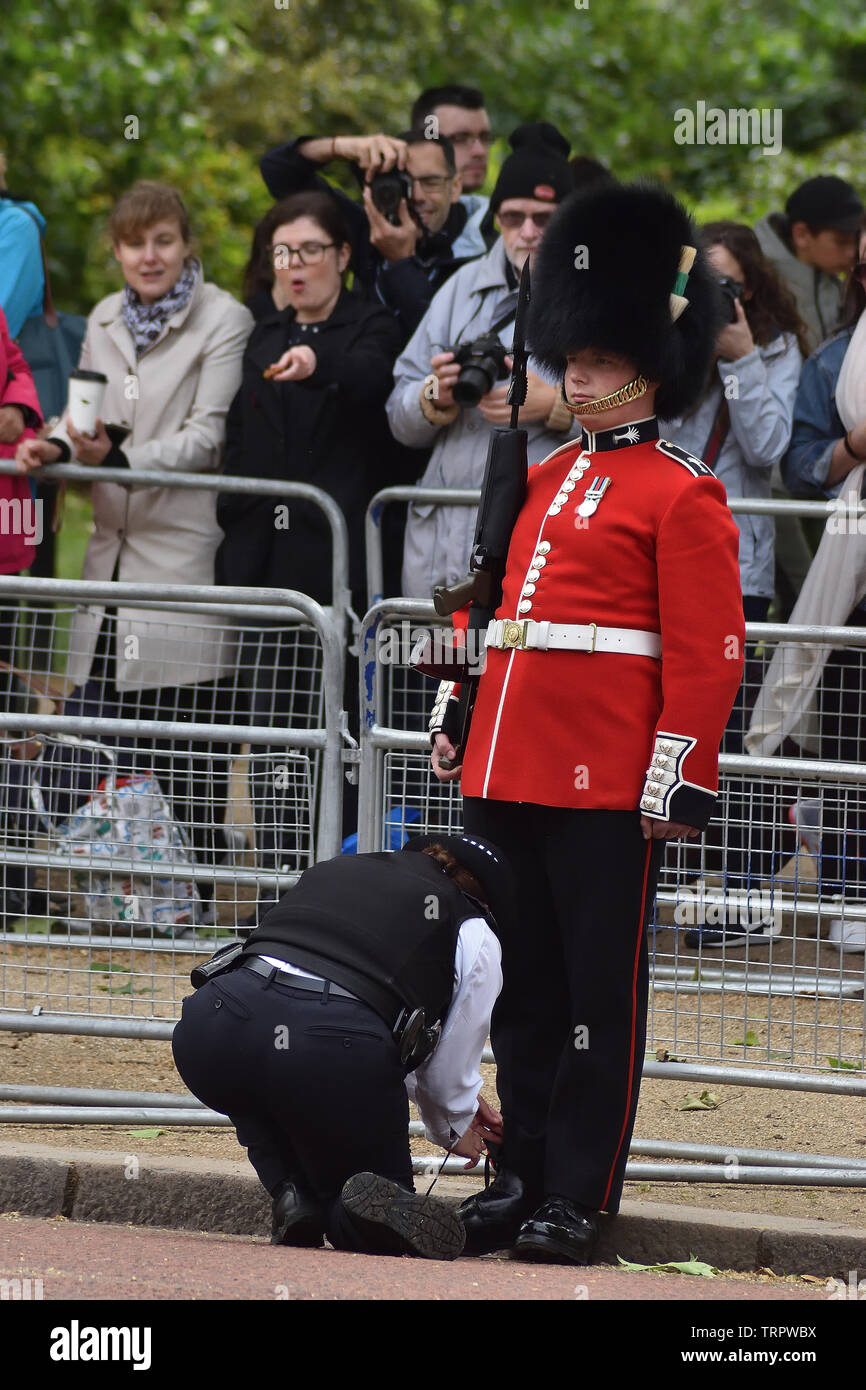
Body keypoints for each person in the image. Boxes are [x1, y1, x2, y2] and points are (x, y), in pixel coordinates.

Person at [429, 181, 745, 1263]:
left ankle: (577, 1194)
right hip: (507, 767)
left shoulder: (681, 493)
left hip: (603, 781)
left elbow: (707, 653)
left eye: (597, 362)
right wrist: (455, 709)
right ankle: (515, 1180)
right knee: (520, 992)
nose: (577, 374)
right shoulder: (544, 479)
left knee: (591, 1005)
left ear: (645, 368)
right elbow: (497, 613)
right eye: (571, 360)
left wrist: (673, 777)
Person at [17, 181, 253, 928]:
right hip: (108, 574)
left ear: (186, 245)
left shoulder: (225, 317)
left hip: (181, 570)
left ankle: (194, 934)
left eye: (162, 241)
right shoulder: (107, 317)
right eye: (133, 243)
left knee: (190, 777)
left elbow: (208, 437)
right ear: (117, 251)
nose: (147, 257)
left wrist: (114, 456)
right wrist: (55, 443)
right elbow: (86, 412)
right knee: (73, 765)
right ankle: (64, 905)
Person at [171, 835, 506, 1258]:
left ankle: (293, 1193)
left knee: (254, 1084)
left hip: (214, 1023)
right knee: (379, 1201)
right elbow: (445, 1071)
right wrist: (454, 1127)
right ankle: (342, 1218)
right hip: (332, 1044)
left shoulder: (338, 869)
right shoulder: (474, 929)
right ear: (489, 901)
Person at [215, 191, 405, 914]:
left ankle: (344, 897)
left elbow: (369, 379)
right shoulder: (262, 335)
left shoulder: (371, 326)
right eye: (282, 254)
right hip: (268, 574)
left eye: (310, 251)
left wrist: (315, 358)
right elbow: (241, 446)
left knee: (346, 737)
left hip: (344, 572)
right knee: (274, 738)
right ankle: (282, 889)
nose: (294, 267)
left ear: (344, 256)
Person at [659, 222, 807, 947]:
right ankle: (656, 875)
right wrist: (680, 341)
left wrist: (742, 360)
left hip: (735, 564)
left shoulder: (776, 349)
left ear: (752, 287)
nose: (716, 301)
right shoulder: (663, 342)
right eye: (702, 287)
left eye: (729, 288)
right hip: (654, 552)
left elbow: (772, 448)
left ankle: (743, 886)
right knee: (654, 711)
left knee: (728, 719)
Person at [388, 122, 579, 602]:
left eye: (544, 217)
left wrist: (559, 406)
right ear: (494, 219)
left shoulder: (596, 297)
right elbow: (398, 413)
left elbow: (645, 424)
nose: (528, 232)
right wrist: (433, 398)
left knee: (516, 677)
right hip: (441, 550)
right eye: (513, 217)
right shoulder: (460, 287)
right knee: (432, 677)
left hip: (539, 556)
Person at [748, 218, 866, 953]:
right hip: (853, 575)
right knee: (854, 734)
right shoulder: (834, 361)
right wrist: (855, 449)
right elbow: (797, 463)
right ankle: (853, 891)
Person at [260, 127, 479, 343]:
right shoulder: (369, 231)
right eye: (406, 184)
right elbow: (277, 170)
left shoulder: (480, 253)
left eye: (431, 182)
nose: (418, 196)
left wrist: (402, 262)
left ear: (456, 186)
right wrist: (342, 146)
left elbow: (442, 340)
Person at [755, 175, 862, 355]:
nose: (853, 253)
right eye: (841, 242)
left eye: (856, 240)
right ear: (801, 235)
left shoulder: (838, 281)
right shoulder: (756, 280)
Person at [410, 85, 495, 249]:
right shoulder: (379, 233)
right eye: (459, 138)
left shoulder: (502, 246)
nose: (479, 151)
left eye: (485, 138)